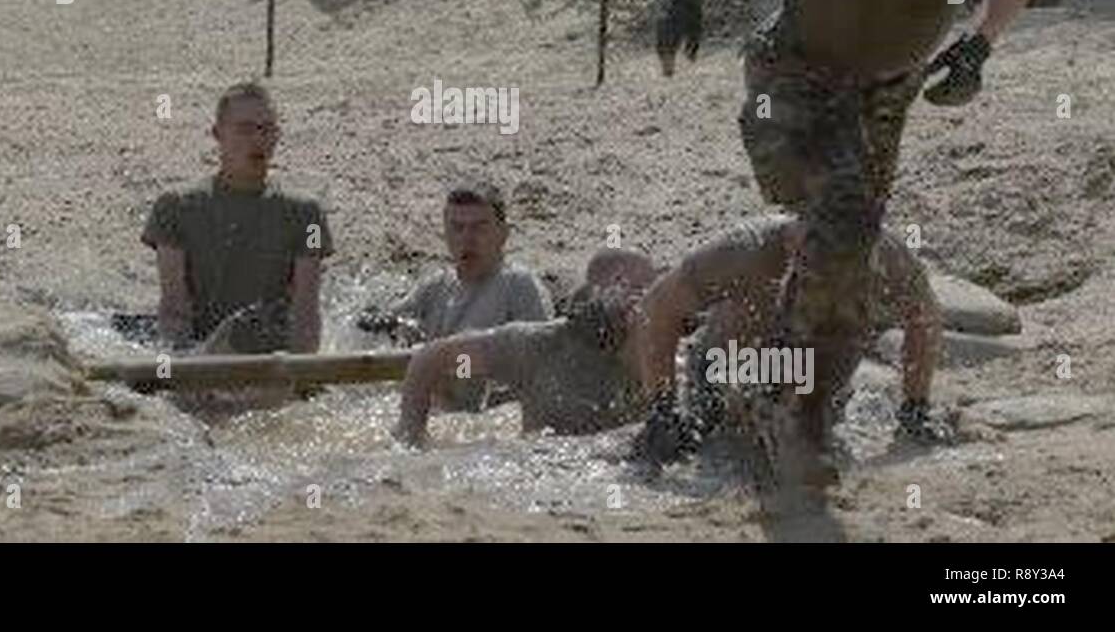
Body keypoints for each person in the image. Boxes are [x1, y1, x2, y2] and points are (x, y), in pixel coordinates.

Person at [652, 0, 1043, 480]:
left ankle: (803, 409)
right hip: (790, 78)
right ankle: (774, 400)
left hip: (885, 90)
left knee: (849, 255)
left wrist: (982, 42)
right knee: (841, 213)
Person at [632, 215, 950, 483]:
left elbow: (925, 316)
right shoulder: (742, 252)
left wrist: (915, 406)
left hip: (821, 379)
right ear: (793, 246)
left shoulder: (886, 257)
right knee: (731, 441)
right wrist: (662, 410)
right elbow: (656, 308)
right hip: (725, 370)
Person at [140, 81, 333, 355]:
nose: (258, 139)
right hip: (201, 351)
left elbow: (306, 311)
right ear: (218, 134)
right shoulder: (175, 208)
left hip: (269, 355)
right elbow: (174, 308)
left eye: (266, 129)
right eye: (245, 129)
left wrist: (303, 374)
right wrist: (176, 370)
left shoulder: (308, 216)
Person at [394, 248, 659, 445]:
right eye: (624, 291)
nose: (633, 306)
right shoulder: (538, 345)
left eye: (644, 295)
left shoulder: (660, 355)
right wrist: (412, 436)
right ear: (591, 300)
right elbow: (431, 358)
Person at [358, 180, 552, 411]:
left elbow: (541, 367)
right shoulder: (436, 285)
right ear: (446, 235)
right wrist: (376, 320)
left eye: (479, 227)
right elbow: (393, 319)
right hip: (438, 412)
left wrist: (453, 365)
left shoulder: (518, 286)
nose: (467, 239)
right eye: (457, 228)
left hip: (489, 422)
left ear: (503, 234)